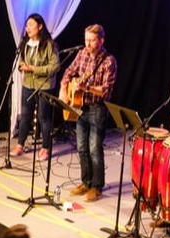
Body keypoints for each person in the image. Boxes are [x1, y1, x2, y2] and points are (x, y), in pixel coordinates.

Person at [60, 24, 117, 202]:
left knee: (94, 148)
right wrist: (64, 89)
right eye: (86, 40)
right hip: (80, 106)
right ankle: (86, 181)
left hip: (97, 108)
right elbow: (69, 72)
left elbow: (106, 91)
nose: (88, 44)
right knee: (81, 147)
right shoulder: (81, 54)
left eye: (92, 40)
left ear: (101, 40)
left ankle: (96, 186)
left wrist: (87, 88)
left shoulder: (109, 61)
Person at [12, 13, 60, 161]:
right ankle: (20, 144)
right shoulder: (25, 43)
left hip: (44, 86)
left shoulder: (49, 45)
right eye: (26, 26)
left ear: (40, 26)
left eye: (31, 25)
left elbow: (55, 66)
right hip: (28, 84)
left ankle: (45, 147)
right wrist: (21, 66)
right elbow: (21, 60)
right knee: (25, 115)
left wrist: (33, 69)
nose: (27, 28)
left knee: (43, 117)